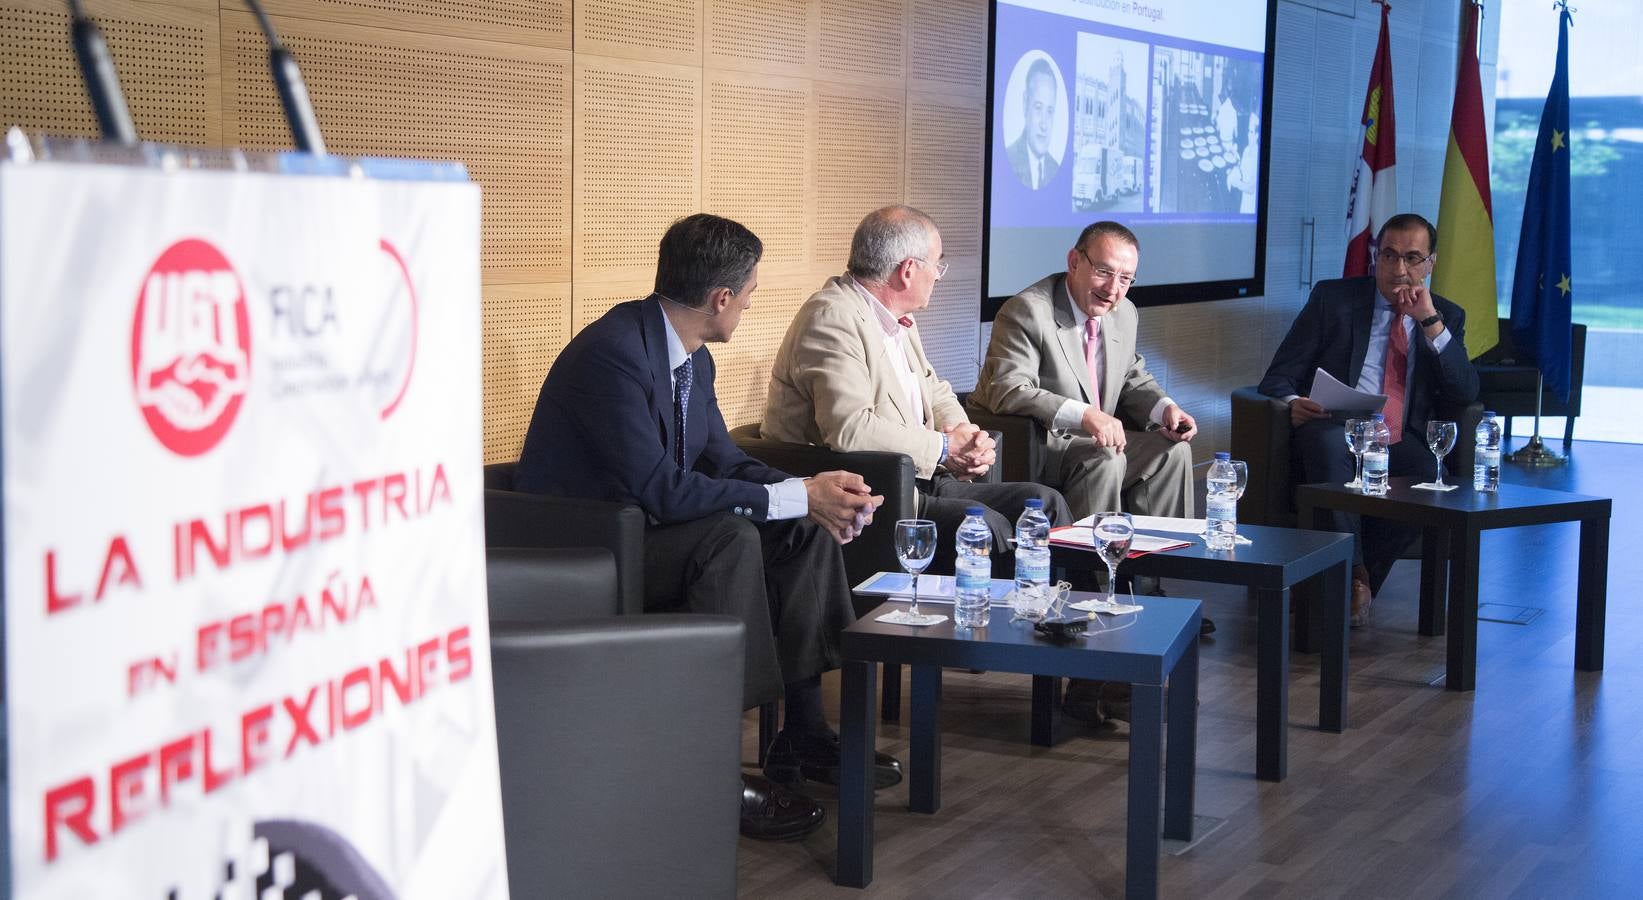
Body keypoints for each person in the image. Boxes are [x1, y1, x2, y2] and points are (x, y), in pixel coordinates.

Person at [515, 213, 901, 843]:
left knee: (802, 531)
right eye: (748, 296)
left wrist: (810, 494)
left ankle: (803, 735)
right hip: (588, 550)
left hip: (646, 531)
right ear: (721, 297)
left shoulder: (692, 359)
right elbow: (660, 490)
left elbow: (722, 459)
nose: (747, 307)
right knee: (731, 538)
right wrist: (792, 495)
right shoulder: (613, 356)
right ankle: (713, 771)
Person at [970, 220, 1211, 712]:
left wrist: (1165, 410)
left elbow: (1134, 376)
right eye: (1104, 272)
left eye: (1126, 279)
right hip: (1040, 448)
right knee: (1104, 458)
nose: (1113, 289)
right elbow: (1006, 389)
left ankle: (1151, 596)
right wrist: (1084, 415)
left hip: (1100, 444)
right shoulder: (1027, 311)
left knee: (1172, 452)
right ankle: (1095, 624)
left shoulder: (1125, 314)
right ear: (1074, 261)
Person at [762, 205, 1071, 577]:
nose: (938, 277)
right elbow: (850, 429)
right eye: (937, 265)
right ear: (908, 270)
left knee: (1044, 504)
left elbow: (935, 387)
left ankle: (1069, 614)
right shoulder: (832, 318)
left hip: (921, 479)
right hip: (881, 491)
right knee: (987, 527)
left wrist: (964, 434)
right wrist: (944, 449)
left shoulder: (897, 318)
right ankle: (1008, 627)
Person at [1258, 212, 1479, 626]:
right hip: (1335, 426)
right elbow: (1279, 375)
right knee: (1325, 447)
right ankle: (1353, 578)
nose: (1399, 270)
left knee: (1430, 481)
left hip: (1400, 437)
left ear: (1430, 263)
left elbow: (1465, 392)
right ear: (1375, 257)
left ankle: (1353, 587)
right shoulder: (1334, 300)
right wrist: (1292, 401)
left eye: (1413, 258)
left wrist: (1430, 324)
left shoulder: (1446, 315)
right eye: (1390, 256)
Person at [1008, 57, 1061, 190]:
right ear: (1025, 104)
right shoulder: (1008, 160)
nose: (1044, 125)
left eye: (1049, 111)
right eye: (1038, 107)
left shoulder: (1056, 169)